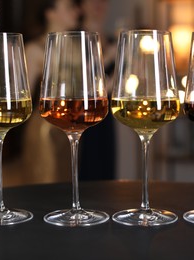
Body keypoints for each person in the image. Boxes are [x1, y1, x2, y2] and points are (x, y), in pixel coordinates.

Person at [21, 0, 80, 183]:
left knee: (69, 182)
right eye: (69, 7)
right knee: (45, 182)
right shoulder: (35, 49)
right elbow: (23, 98)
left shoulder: (79, 48)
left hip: (74, 125)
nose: (76, 11)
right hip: (45, 130)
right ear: (50, 13)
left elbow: (92, 91)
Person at [77, 0, 117, 180]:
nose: (98, 4)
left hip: (107, 115)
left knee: (106, 167)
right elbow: (82, 82)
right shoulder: (75, 39)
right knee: (85, 166)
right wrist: (109, 57)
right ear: (82, 5)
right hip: (81, 112)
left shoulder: (112, 40)